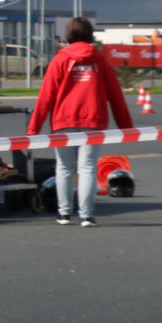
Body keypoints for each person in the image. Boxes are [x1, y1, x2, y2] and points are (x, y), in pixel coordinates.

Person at [26, 17, 132, 227]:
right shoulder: (99, 60)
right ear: (90, 35)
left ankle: (64, 213)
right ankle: (87, 215)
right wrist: (126, 127)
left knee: (64, 168)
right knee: (88, 168)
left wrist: (33, 129)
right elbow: (115, 95)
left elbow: (46, 96)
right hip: (93, 121)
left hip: (63, 121)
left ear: (68, 35)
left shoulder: (60, 60)